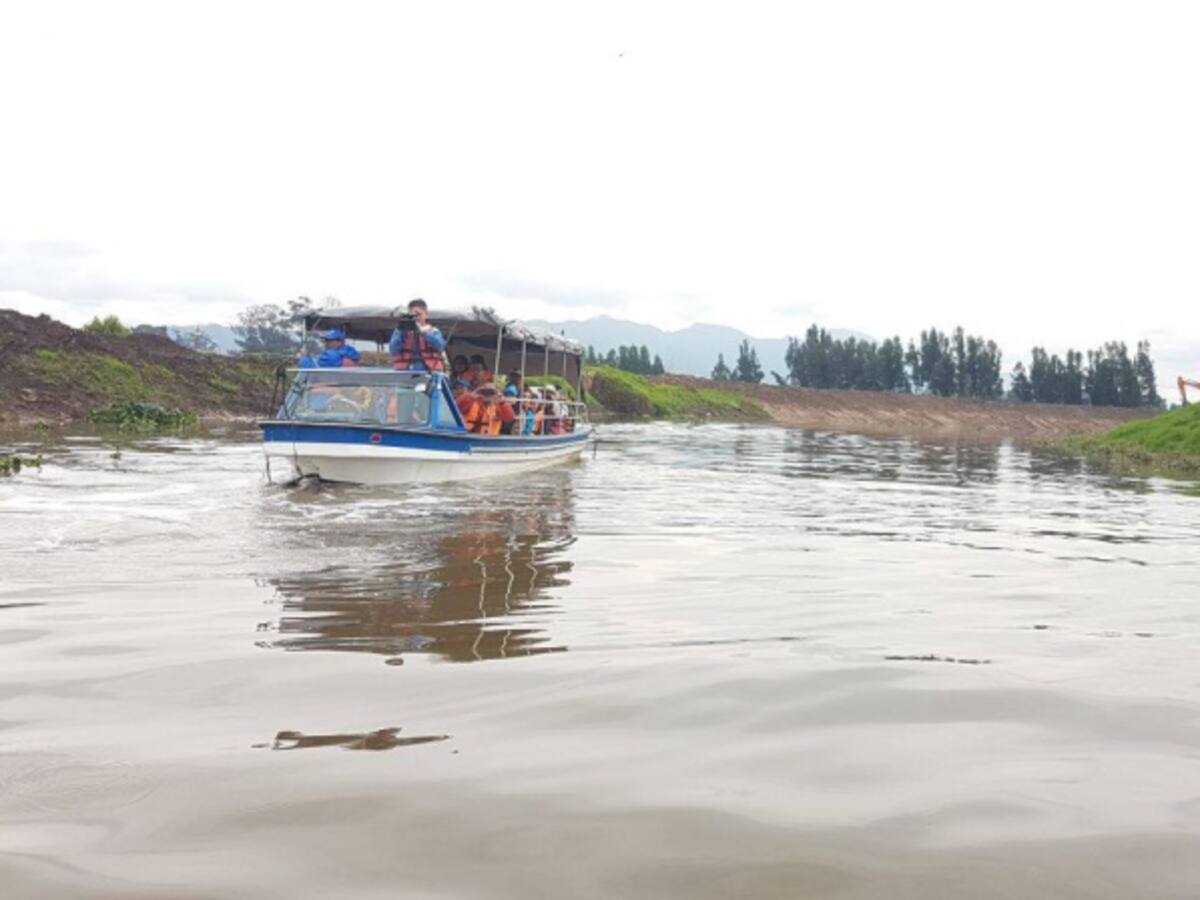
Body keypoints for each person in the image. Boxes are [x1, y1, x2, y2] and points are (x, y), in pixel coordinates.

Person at [389, 298, 447, 371]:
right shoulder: (400, 331)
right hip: (405, 374)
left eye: (419, 314)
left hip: (430, 373)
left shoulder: (434, 331)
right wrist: (402, 333)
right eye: (413, 316)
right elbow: (393, 351)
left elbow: (441, 346)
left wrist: (424, 333)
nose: (416, 318)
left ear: (426, 315)